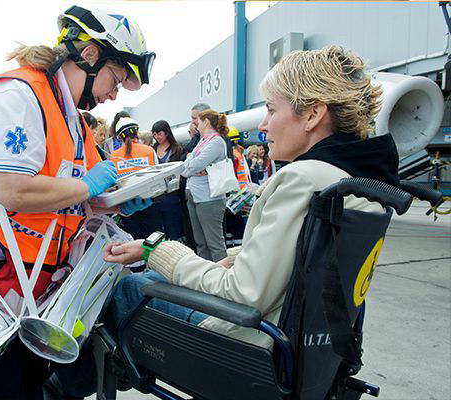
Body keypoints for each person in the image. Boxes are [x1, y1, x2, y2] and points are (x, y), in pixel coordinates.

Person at [85, 47, 398, 400]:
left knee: (131, 288)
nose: (263, 125)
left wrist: (156, 249)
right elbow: (302, 259)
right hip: (315, 357)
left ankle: (64, 385)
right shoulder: (361, 186)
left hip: (252, 351)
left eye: (271, 109)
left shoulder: (301, 178)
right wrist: (234, 258)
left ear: (312, 114)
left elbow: (244, 295)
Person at [0, 4, 155, 399]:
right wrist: (88, 188)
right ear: (90, 54)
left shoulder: (71, 118)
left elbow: (86, 194)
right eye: (117, 77)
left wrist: (121, 201)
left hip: (24, 276)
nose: (114, 93)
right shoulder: (17, 93)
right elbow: (12, 190)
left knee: (27, 386)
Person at [181, 109, 230, 262]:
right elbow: (187, 164)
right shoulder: (204, 141)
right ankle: (207, 276)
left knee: (214, 243)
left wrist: (191, 165)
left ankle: (221, 278)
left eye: (199, 121)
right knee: (201, 243)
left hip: (209, 199)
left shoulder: (216, 141)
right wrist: (191, 165)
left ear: (206, 122)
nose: (196, 123)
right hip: (197, 196)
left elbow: (193, 165)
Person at [110, 117, 160, 239]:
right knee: (152, 239)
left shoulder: (114, 156)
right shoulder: (149, 151)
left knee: (133, 240)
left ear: (119, 137)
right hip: (149, 200)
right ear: (137, 133)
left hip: (127, 205)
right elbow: (158, 173)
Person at [151, 119, 183, 240]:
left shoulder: (177, 149)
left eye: (159, 133)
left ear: (167, 133)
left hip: (172, 195)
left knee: (172, 229)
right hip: (155, 195)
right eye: (154, 134)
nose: (156, 137)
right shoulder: (151, 149)